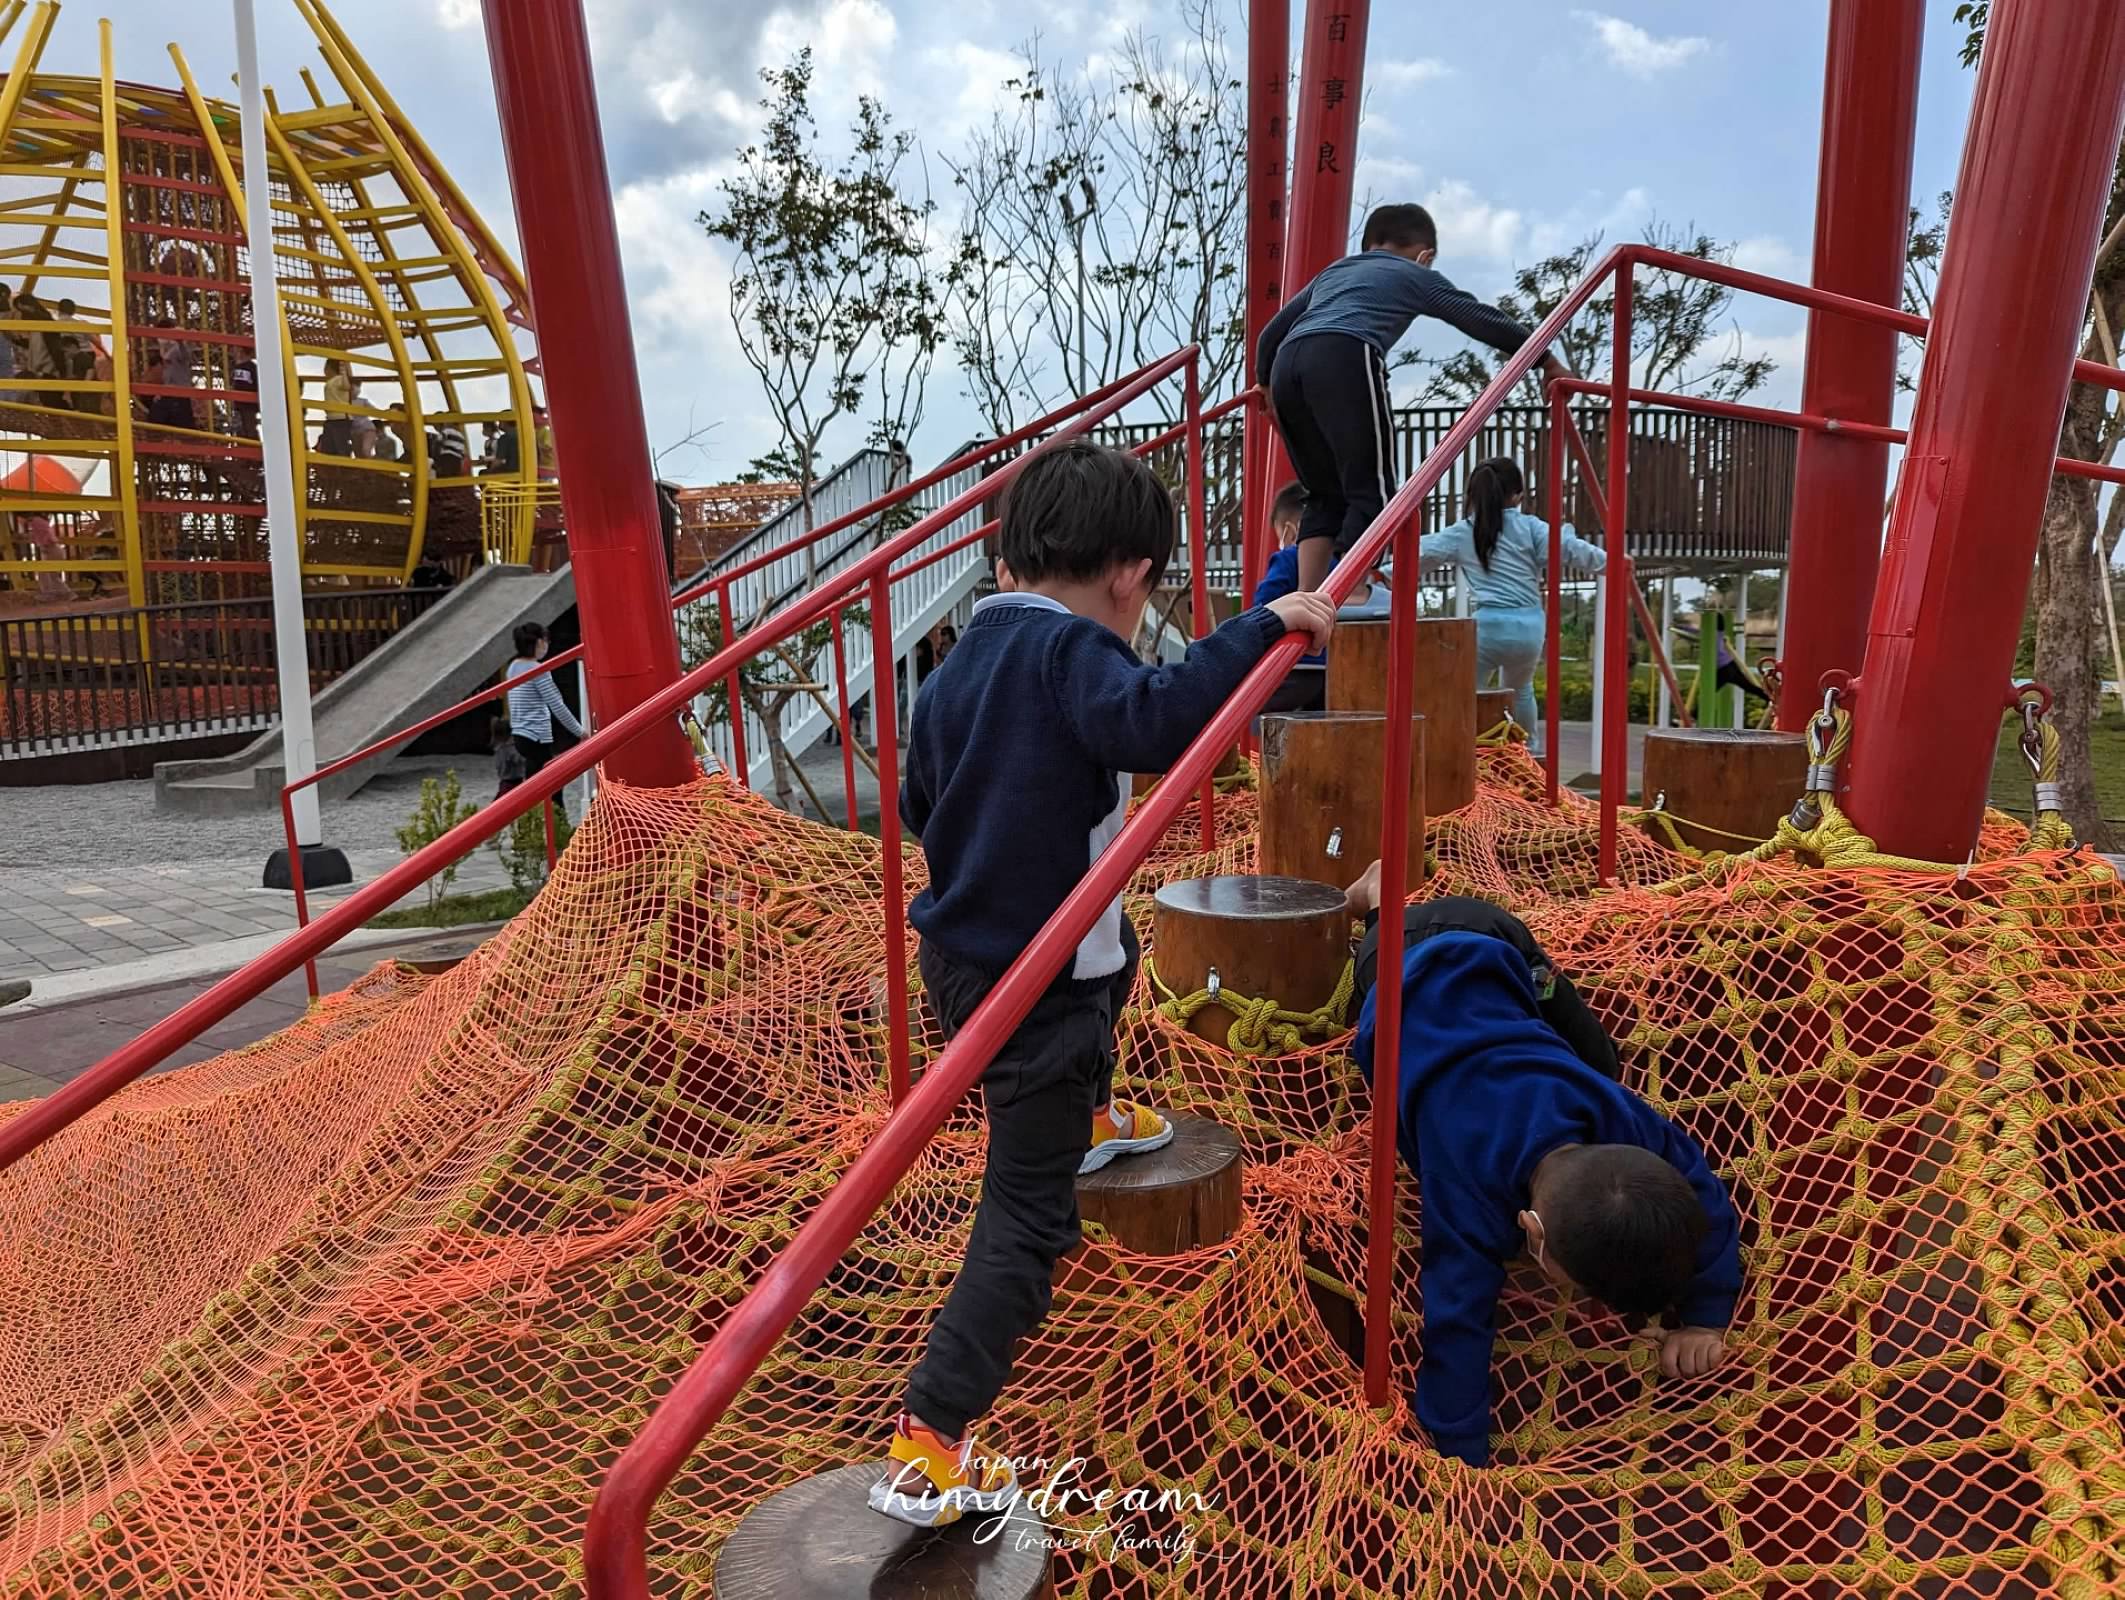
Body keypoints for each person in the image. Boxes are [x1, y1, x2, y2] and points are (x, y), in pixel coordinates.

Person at [872, 440, 1338, 1528]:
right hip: (1030, 988)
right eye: (1150, 589)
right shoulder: (1070, 652)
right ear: (1128, 574)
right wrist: (1266, 624)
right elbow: (1157, 714)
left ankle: (1088, 1111)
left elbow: (911, 804)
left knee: (1114, 956)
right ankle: (928, 1440)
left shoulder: (953, 666)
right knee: (1027, 1221)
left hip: (964, 953)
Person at [1342, 859, 1741, 1469]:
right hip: (1398, 964)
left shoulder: (1618, 1116)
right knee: (1377, 954)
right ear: (1530, 1231)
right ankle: (1375, 896)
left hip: (1494, 936)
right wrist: (1459, 1456)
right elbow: (1458, 1311)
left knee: (1598, 1059)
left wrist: (1706, 1318)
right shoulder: (1464, 1185)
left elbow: (1702, 1192)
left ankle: (1392, 894)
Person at [1257, 204, 1574, 595]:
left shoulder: (1334, 273)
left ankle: (1305, 596)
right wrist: (1545, 358)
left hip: (1287, 367)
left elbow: (1271, 334)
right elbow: (1475, 316)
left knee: (1324, 495)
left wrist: (1266, 387)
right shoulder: (1413, 273)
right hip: (1345, 352)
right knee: (1375, 496)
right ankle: (1340, 595)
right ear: (1426, 256)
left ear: (1368, 245)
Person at [1418, 456, 1607, 746]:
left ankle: (1468, 748)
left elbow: (1423, 552)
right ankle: (1529, 750)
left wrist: (1382, 572)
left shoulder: (1464, 531)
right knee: (1521, 690)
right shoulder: (1531, 527)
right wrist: (1612, 563)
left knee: (1470, 690)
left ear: (1474, 496)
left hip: (1488, 627)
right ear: (1518, 496)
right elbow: (1568, 548)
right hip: (1528, 626)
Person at [504, 621, 584, 794]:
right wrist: (580, 732)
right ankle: (553, 819)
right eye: (546, 641)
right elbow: (557, 705)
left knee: (534, 783)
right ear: (539, 642)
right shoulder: (537, 670)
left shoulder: (513, 666)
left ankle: (533, 819)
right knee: (552, 788)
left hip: (519, 733)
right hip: (536, 734)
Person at [151, 317, 196, 429]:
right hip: (168, 393)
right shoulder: (165, 349)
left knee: (183, 431)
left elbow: (185, 355)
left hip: (179, 394)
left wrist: (180, 341)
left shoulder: (177, 348)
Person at [318, 359, 353, 456]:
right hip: (331, 418)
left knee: (340, 447)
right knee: (329, 447)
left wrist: (343, 371)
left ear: (329, 368)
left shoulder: (339, 379)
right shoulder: (330, 382)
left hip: (340, 418)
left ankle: (344, 468)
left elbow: (346, 386)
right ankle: (334, 468)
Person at [491, 715, 527, 800]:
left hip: (505, 781)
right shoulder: (509, 748)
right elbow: (520, 759)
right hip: (512, 781)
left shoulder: (498, 748)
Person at [228, 348, 258, 437]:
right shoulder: (253, 367)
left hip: (241, 404)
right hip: (248, 404)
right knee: (248, 427)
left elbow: (234, 384)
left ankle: (245, 444)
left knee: (242, 427)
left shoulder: (238, 367)